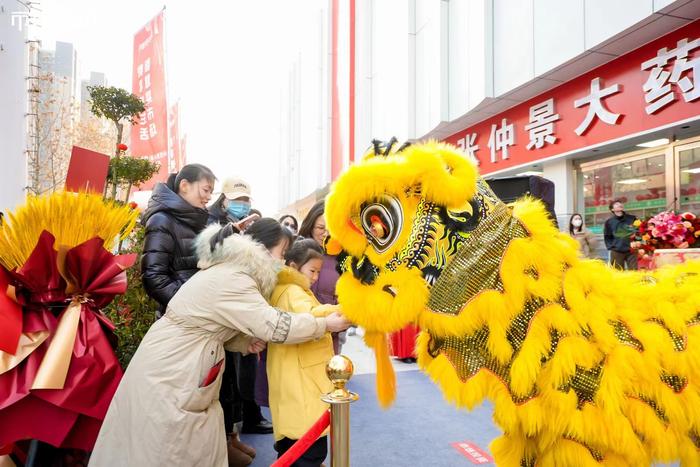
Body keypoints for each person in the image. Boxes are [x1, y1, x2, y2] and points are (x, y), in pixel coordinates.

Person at [89, 219, 351, 467]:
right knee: (165, 445)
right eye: (281, 251)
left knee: (180, 441)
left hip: (182, 360)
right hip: (177, 368)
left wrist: (243, 343)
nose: (283, 260)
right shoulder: (235, 279)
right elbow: (275, 325)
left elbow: (215, 321)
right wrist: (324, 325)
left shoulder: (232, 271)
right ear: (261, 248)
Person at [267, 238, 338, 466]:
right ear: (293, 266)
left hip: (294, 381)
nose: (315, 277)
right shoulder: (292, 292)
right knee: (309, 451)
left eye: (318, 271)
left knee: (292, 450)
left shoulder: (287, 288)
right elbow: (312, 315)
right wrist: (349, 308)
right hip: (302, 385)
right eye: (312, 270)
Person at [141, 163, 215, 318]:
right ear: (184, 185)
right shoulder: (161, 220)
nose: (209, 197)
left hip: (196, 313)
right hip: (180, 317)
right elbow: (154, 276)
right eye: (206, 190)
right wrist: (186, 304)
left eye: (211, 192)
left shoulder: (193, 219)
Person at [298, 200, 344, 353]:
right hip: (298, 330)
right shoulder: (297, 251)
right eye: (320, 228)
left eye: (331, 229)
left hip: (330, 335)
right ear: (310, 226)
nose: (326, 234)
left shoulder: (343, 258)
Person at [604, 200, 638, 270]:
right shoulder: (609, 222)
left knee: (634, 271)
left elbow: (639, 231)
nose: (619, 204)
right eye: (616, 204)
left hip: (631, 250)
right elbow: (607, 236)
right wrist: (612, 247)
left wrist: (638, 242)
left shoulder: (632, 218)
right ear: (612, 209)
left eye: (620, 203)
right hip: (617, 251)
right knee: (617, 273)